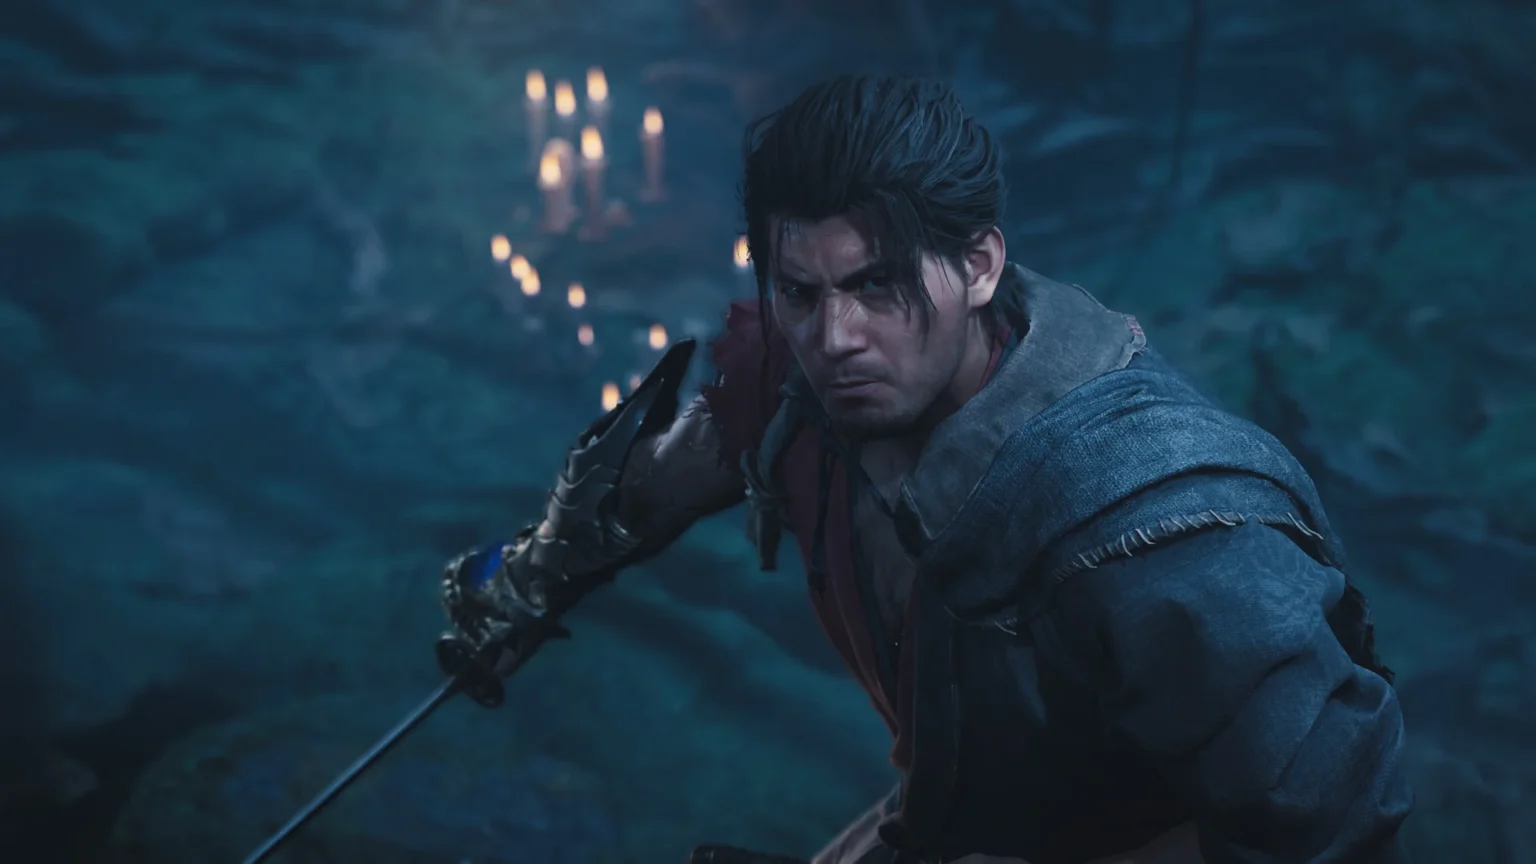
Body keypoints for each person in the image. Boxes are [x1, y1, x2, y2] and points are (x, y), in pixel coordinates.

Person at [439, 75, 1413, 864]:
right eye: (799, 291)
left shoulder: (1160, 522)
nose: (836, 338)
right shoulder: (801, 377)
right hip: (949, 820)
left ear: (979, 266)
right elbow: (658, 478)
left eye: (879, 284)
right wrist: (529, 580)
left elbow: (1328, 826)